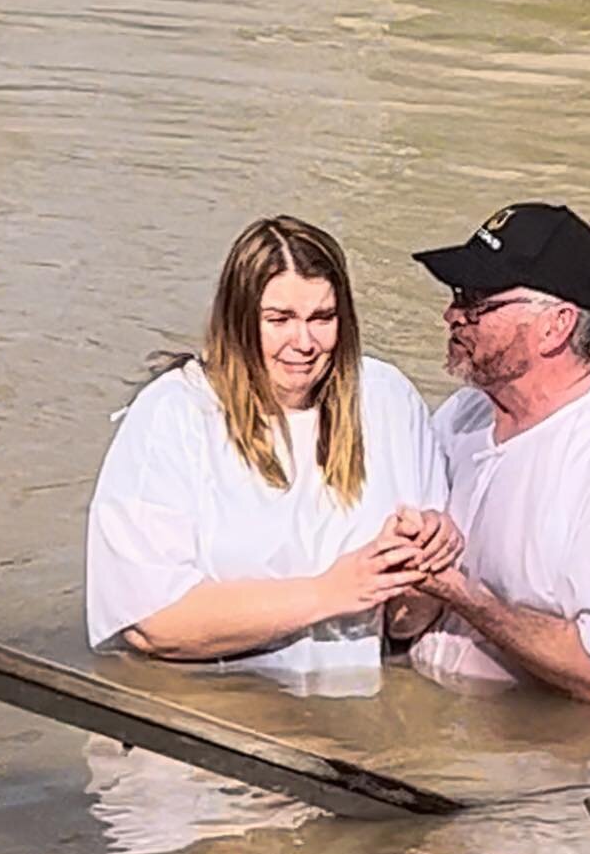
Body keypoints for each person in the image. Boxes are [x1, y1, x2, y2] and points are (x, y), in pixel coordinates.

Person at [85, 215, 461, 691]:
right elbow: (150, 624)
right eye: (279, 320)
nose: (303, 343)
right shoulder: (174, 413)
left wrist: (421, 568)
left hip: (352, 716)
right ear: (240, 319)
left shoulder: (388, 400)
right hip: (211, 712)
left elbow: (404, 626)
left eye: (321, 319)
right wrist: (330, 592)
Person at [392, 202, 590, 706]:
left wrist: (461, 594)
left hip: (553, 771)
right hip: (438, 724)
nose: (451, 315)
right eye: (454, 295)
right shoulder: (464, 412)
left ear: (555, 326)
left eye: (476, 301)